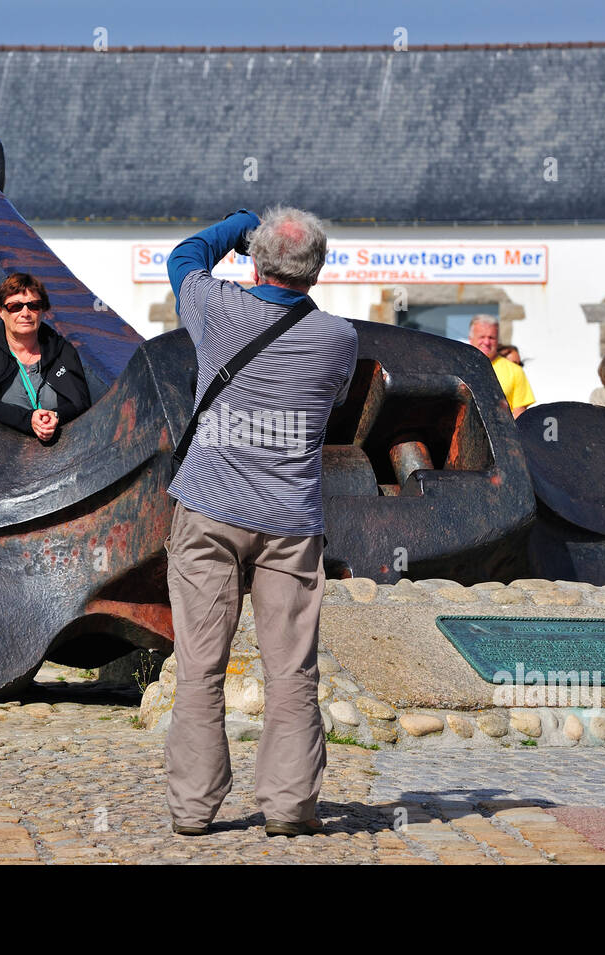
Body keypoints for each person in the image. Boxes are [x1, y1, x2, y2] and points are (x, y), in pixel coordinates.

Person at [164, 206, 357, 839]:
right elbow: (331, 404)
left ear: (255, 259)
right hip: (290, 519)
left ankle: (193, 810)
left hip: (209, 510)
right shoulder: (339, 339)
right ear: (318, 270)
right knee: (292, 669)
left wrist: (239, 222)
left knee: (200, 664)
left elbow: (184, 257)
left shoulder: (218, 310)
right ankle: (290, 806)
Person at [0, 273, 91, 441]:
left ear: (42, 311)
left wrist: (54, 417)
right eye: (15, 307)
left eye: (33, 305)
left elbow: (80, 402)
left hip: (59, 452)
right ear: (1, 311)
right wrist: (28, 420)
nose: (25, 313)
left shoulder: (62, 350)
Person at [469, 315, 534, 417]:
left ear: (497, 340)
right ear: (471, 339)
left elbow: (520, 416)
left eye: (491, 338)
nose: (486, 342)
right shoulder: (457, 366)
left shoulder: (515, 371)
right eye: (482, 337)